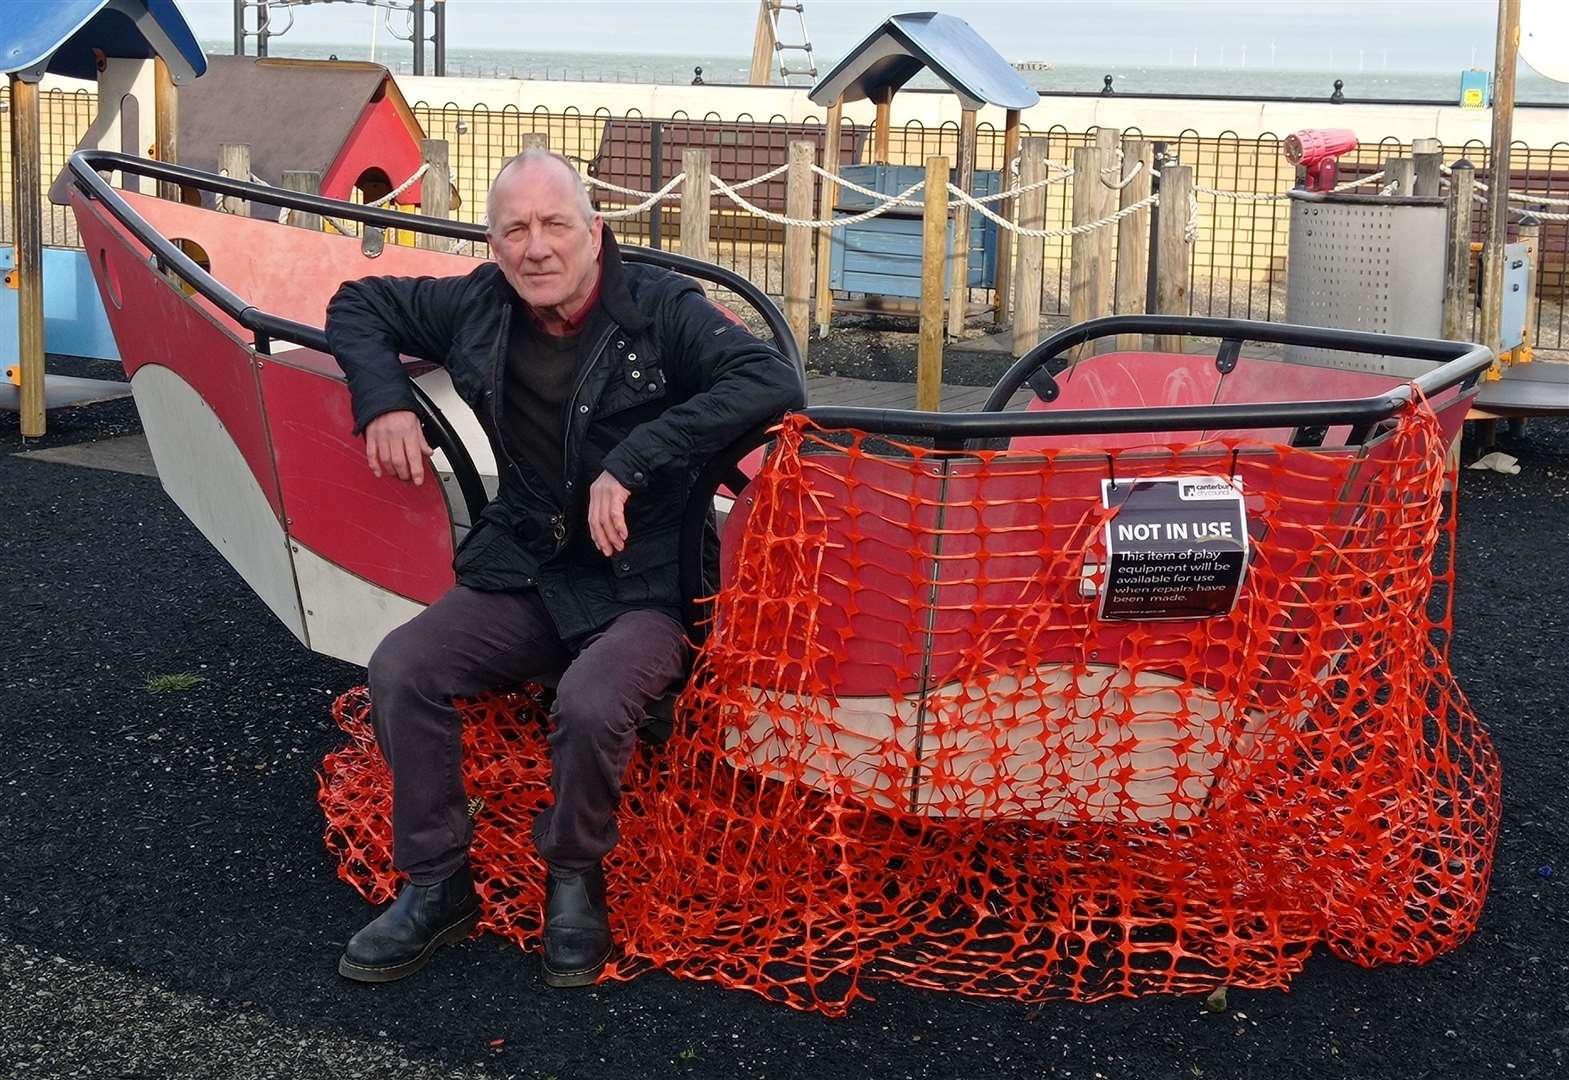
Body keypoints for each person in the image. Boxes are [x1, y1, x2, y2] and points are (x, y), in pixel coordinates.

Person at [324, 150, 803, 987]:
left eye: (553, 226)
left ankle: (573, 875)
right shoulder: (478, 304)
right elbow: (357, 301)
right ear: (494, 242)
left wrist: (635, 459)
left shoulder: (659, 308)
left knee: (590, 702)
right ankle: (437, 886)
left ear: (594, 232)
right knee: (404, 667)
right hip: (531, 569)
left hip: (644, 584)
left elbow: (770, 378)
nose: (535, 248)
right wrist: (384, 400)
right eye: (514, 230)